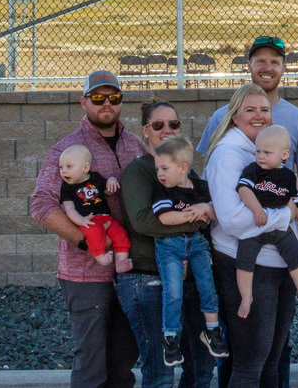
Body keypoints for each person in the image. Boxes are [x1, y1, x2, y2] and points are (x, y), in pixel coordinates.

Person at [30, 70, 146, 388]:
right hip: (85, 275)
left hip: (130, 269)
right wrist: (88, 242)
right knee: (91, 366)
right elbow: (41, 205)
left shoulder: (136, 145)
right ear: (84, 102)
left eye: (114, 97)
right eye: (97, 97)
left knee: (124, 361)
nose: (106, 103)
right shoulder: (67, 151)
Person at [117, 100, 217, 388]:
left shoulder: (187, 174)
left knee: (201, 367)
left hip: (188, 280)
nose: (167, 130)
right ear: (145, 131)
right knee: (161, 373)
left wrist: (206, 214)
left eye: (173, 124)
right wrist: (196, 221)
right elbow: (143, 222)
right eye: (158, 125)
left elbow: (211, 208)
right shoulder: (139, 171)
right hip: (147, 279)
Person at [205, 85, 298, 388]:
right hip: (247, 264)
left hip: (277, 263)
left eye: (265, 110)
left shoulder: (264, 147)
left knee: (271, 361)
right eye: (250, 110)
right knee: (250, 364)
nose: (259, 116)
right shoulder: (228, 154)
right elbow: (232, 219)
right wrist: (287, 216)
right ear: (234, 117)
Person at [150, 135, 229, 366]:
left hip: (198, 244)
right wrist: (194, 214)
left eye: (165, 168)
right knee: (173, 291)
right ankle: (171, 338)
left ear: (183, 168)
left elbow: (217, 215)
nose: (160, 174)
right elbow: (165, 218)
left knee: (208, 286)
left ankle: (213, 332)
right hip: (169, 246)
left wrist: (205, 208)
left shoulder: (202, 188)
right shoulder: (162, 190)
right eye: (157, 169)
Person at [197, 35, 298, 179]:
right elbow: (208, 175)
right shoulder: (222, 117)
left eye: (274, 62)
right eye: (261, 61)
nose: (268, 68)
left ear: (283, 69)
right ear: (249, 66)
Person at [235, 124, 298, 317]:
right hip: (256, 227)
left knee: (296, 258)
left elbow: (295, 201)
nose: (261, 156)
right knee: (244, 261)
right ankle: (246, 297)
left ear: (284, 154)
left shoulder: (288, 177)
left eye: (267, 152)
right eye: (257, 151)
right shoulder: (253, 170)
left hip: (281, 227)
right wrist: (256, 209)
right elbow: (243, 189)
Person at [58, 144, 133, 273]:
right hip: (88, 220)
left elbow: (108, 192)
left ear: (85, 167)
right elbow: (69, 209)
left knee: (120, 233)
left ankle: (121, 261)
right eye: (61, 167)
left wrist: (111, 180)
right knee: (95, 233)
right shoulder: (67, 187)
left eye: (69, 167)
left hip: (106, 217)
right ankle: (100, 256)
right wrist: (81, 221)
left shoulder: (96, 178)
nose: (64, 171)